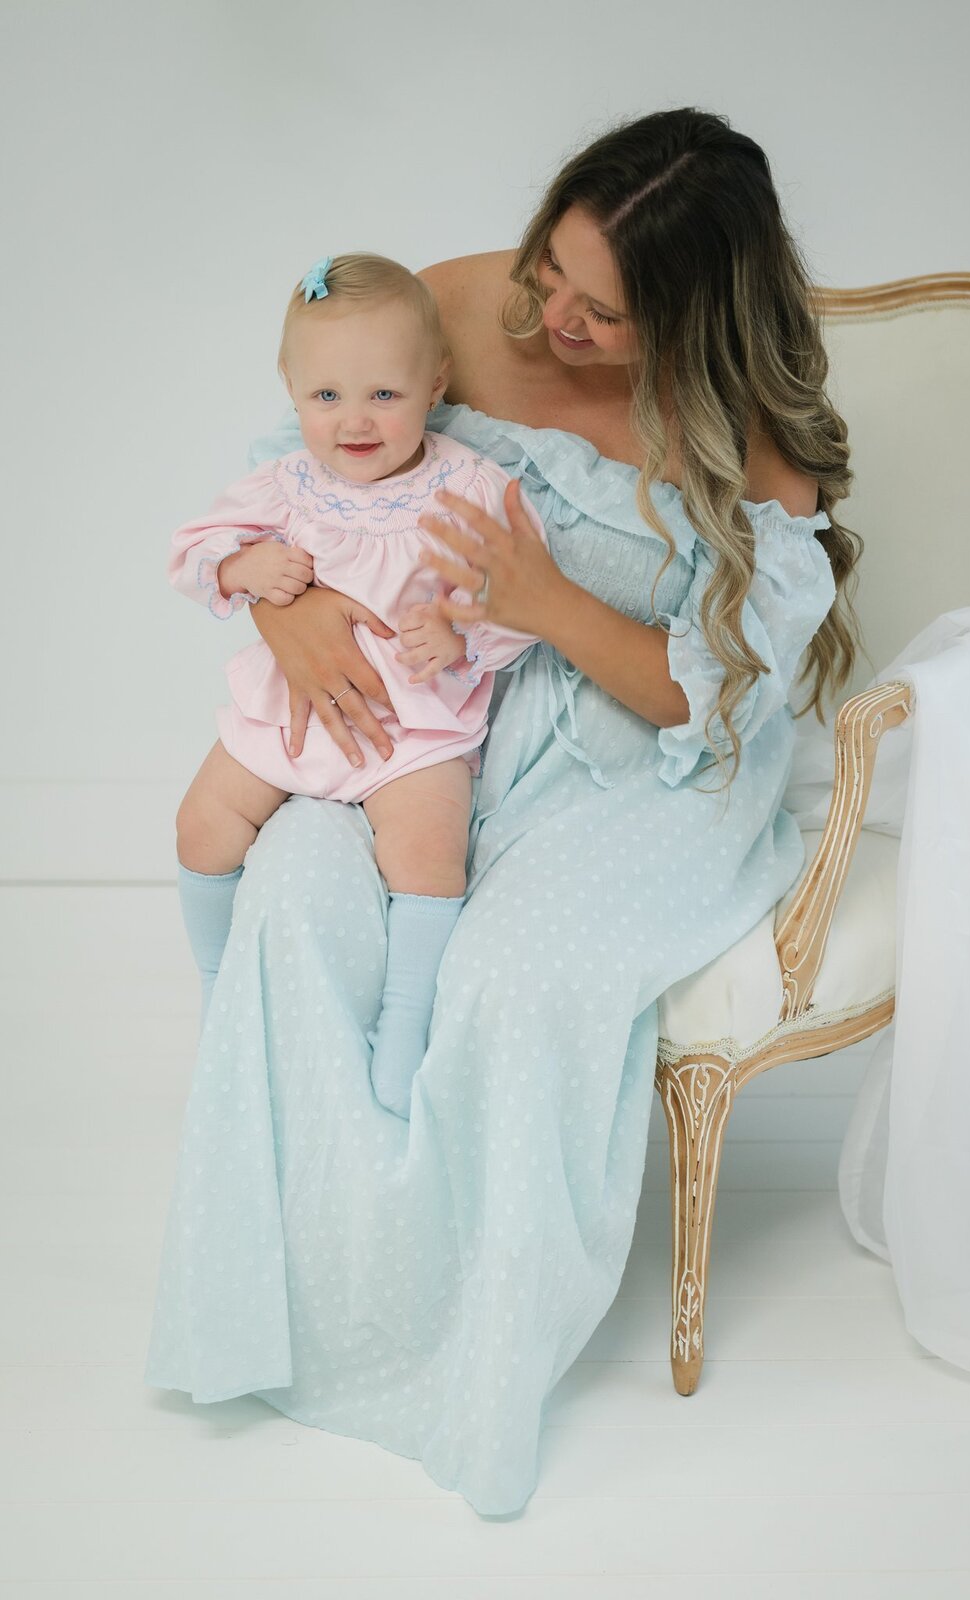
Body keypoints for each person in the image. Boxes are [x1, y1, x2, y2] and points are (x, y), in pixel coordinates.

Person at [145, 107, 860, 1516]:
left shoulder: (761, 444)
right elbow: (315, 462)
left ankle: (454, 1346)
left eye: (605, 310)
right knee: (291, 903)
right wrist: (292, 619)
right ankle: (303, 1302)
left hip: (647, 758)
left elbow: (698, 702)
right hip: (446, 712)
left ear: (695, 318)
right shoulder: (476, 301)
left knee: (518, 983)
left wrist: (546, 604)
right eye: (553, 272)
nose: (556, 319)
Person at [168, 252, 545, 1116]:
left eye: (384, 395)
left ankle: (404, 1021)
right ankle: (219, 982)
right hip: (287, 717)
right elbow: (190, 555)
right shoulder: (283, 486)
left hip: (409, 731)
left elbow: (526, 602)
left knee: (427, 853)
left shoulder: (470, 486)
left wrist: (459, 627)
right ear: (291, 390)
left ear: (435, 382)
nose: (356, 422)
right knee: (202, 824)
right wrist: (241, 566)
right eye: (327, 397)